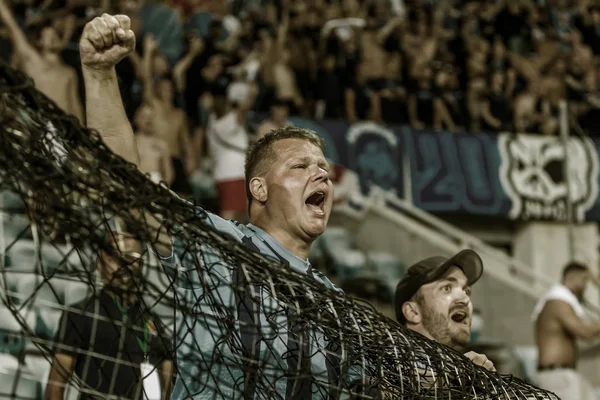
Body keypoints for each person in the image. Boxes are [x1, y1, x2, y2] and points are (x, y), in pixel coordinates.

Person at [78, 14, 373, 399]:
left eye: (323, 167)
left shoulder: (334, 304)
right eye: (300, 166)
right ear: (259, 189)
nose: (321, 176)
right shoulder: (216, 244)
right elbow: (125, 186)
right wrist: (100, 75)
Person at [45, 221, 174, 400]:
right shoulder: (80, 314)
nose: (122, 265)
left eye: (129, 258)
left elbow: (167, 383)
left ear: (141, 264)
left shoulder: (152, 321)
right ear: (100, 263)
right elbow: (56, 385)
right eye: (114, 258)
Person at [395, 249, 496, 372]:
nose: (465, 299)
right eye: (447, 288)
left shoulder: (463, 369)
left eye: (467, 291)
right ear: (413, 312)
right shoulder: (385, 362)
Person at [0, 0, 84, 123]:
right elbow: (13, 28)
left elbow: (76, 107)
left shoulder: (69, 72)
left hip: (67, 128)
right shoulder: (34, 64)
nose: (53, 38)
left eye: (55, 35)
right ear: (39, 42)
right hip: (44, 124)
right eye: (48, 36)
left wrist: (83, 133)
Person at [532, 262, 600, 400]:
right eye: (584, 281)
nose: (586, 287)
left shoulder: (559, 301)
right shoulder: (557, 301)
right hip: (557, 377)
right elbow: (585, 332)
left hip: (564, 376)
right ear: (571, 278)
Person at [134, 103, 175, 186]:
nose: (148, 120)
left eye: (151, 117)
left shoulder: (161, 144)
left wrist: (164, 188)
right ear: (137, 119)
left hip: (157, 183)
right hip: (136, 182)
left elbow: (169, 172)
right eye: (144, 116)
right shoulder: (132, 143)